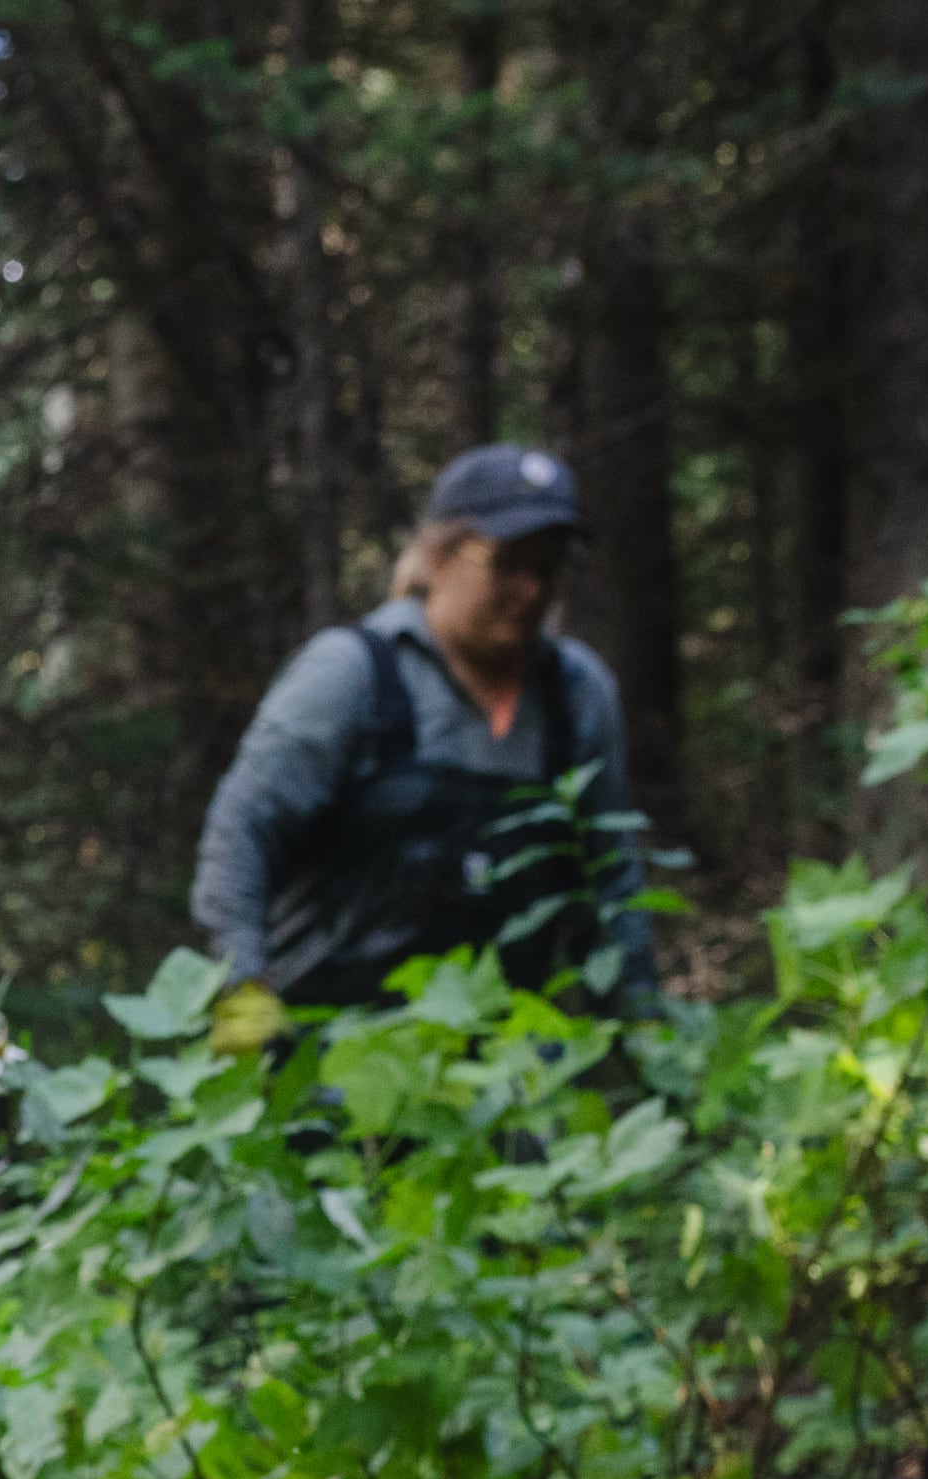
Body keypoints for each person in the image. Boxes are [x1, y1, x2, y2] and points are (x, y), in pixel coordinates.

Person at [191, 443, 661, 1049]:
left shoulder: (577, 695)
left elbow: (610, 878)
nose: (531, 589)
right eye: (509, 562)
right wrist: (242, 987)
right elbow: (242, 832)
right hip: (332, 1055)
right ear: (438, 557)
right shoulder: (351, 675)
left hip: (500, 1071)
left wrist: (645, 1029)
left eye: (548, 567)